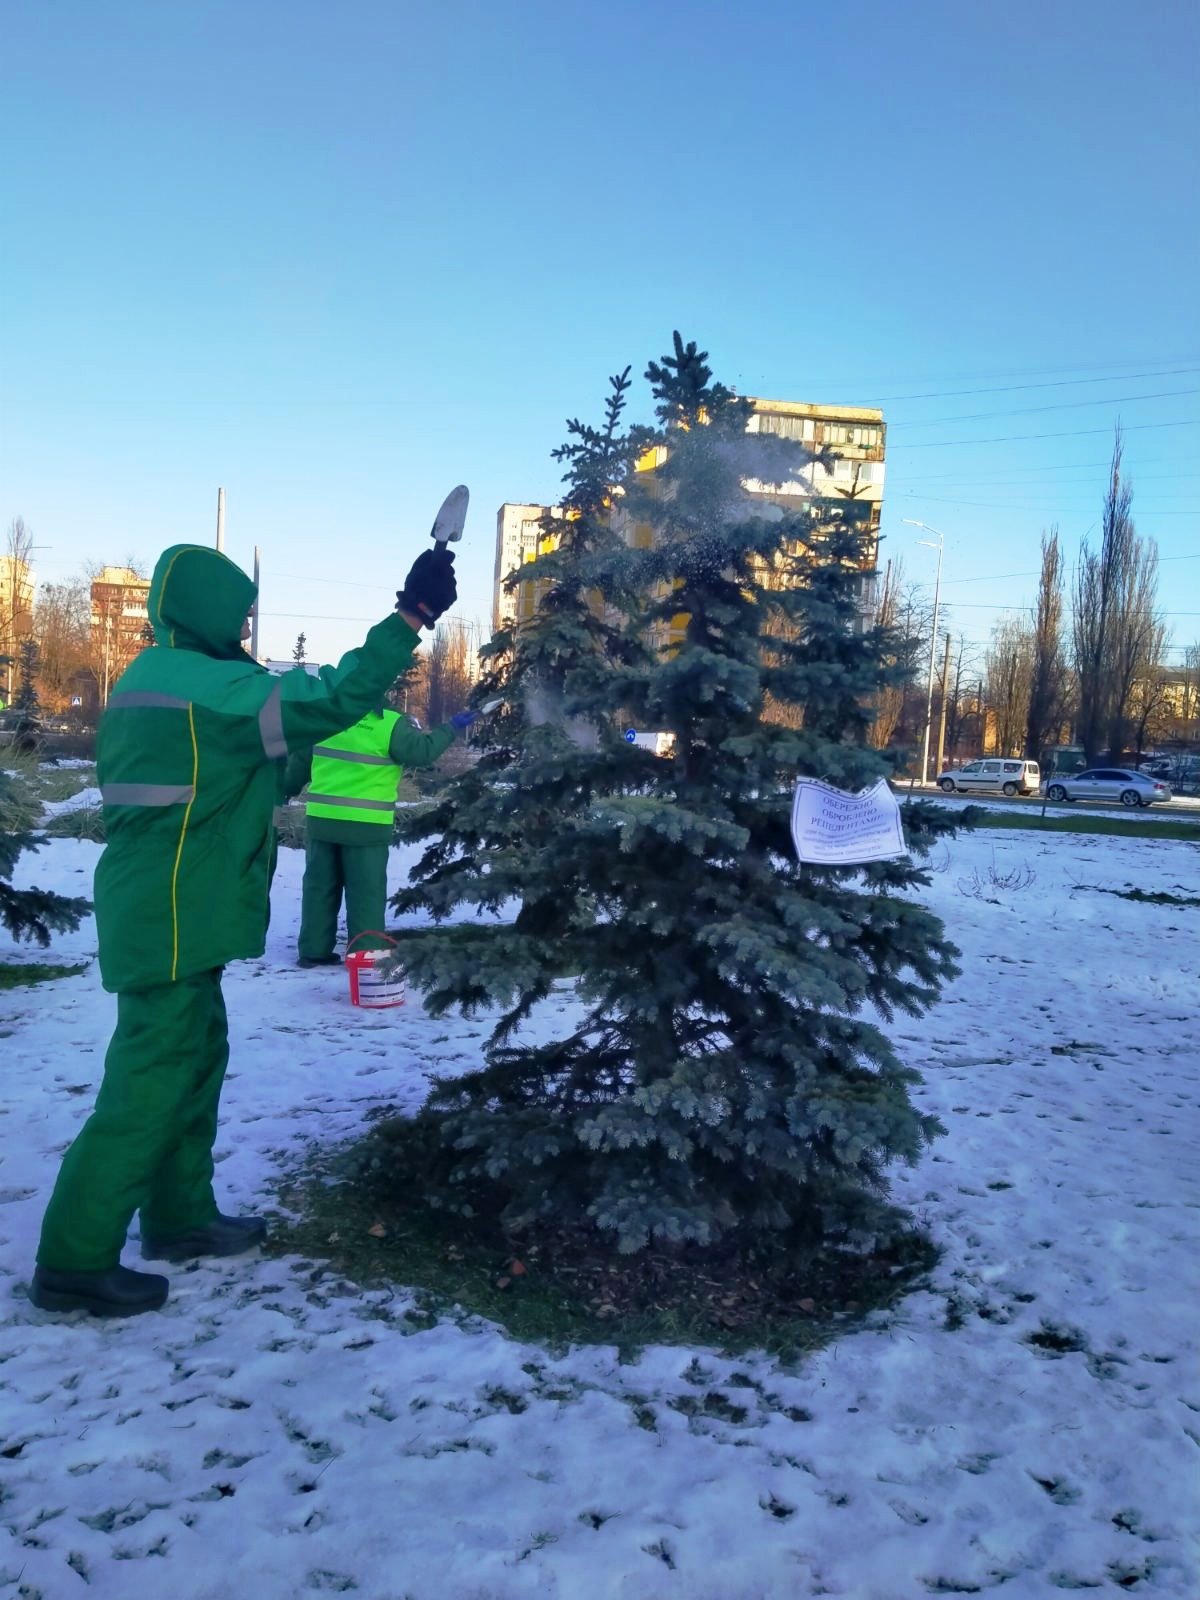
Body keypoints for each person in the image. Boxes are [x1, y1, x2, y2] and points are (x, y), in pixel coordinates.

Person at [30, 539, 456, 1318]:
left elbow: (247, 769)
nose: (248, 628)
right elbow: (326, 698)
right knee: (149, 1084)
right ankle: (74, 1261)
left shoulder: (166, 679)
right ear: (213, 612)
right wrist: (411, 616)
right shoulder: (202, 684)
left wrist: (300, 754)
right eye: (242, 614)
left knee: (194, 1066)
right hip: (170, 911)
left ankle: (180, 1217)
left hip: (178, 906)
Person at [286, 703, 476, 966]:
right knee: (366, 892)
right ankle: (365, 955)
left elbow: (299, 763)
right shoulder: (389, 723)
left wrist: (284, 791)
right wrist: (452, 728)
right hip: (366, 825)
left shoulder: (323, 716)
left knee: (319, 887)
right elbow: (423, 753)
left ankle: (313, 951)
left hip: (322, 821)